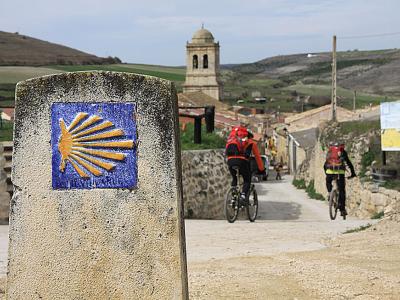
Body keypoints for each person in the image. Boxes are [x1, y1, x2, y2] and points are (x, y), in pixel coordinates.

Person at [225, 124, 265, 205]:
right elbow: (257, 157)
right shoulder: (251, 142)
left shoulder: (231, 139)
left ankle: (233, 197)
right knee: (247, 179)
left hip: (230, 161)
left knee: (234, 178)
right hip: (242, 161)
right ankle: (243, 196)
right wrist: (261, 169)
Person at [324, 142, 356, 217]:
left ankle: (329, 192)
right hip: (340, 172)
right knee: (342, 190)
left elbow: (325, 165)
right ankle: (342, 210)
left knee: (328, 182)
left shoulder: (330, 151)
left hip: (330, 171)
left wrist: (327, 173)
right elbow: (348, 163)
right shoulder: (342, 152)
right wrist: (353, 173)